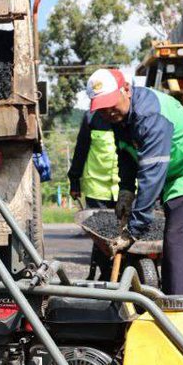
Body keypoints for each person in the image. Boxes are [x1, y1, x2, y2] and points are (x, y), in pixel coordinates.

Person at [85, 68, 183, 336]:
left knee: (178, 242)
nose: (107, 112)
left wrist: (134, 229)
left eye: (110, 104)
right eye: (101, 107)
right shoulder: (118, 117)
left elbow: (151, 175)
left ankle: (176, 328)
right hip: (176, 173)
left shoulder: (149, 116)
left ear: (126, 89)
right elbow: (126, 155)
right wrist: (125, 191)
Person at [67, 109, 119, 280]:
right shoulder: (91, 118)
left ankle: (124, 270)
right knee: (102, 235)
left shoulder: (129, 116)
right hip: (97, 188)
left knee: (127, 231)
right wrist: (75, 180)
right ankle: (106, 274)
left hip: (125, 187)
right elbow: (81, 150)